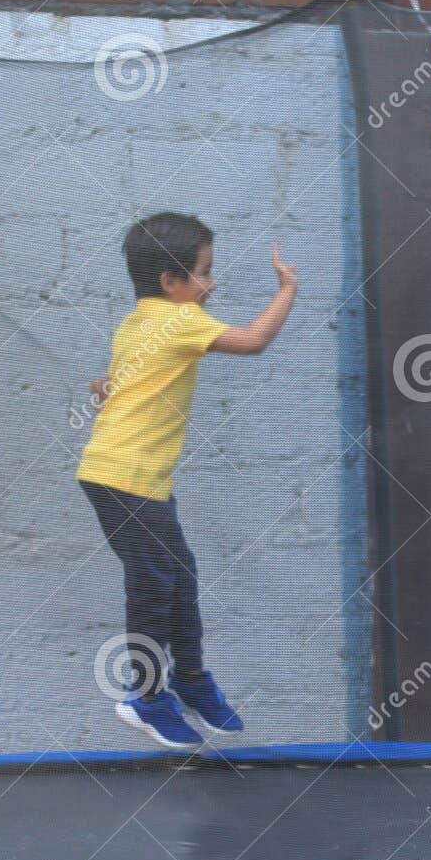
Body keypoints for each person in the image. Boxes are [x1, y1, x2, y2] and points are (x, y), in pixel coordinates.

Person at [78, 212, 298, 749]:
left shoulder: (137, 321)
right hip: (124, 477)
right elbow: (252, 342)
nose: (212, 284)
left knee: (178, 577)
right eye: (203, 274)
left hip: (132, 476)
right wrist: (288, 291)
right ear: (169, 283)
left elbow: (123, 377)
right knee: (155, 584)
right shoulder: (181, 321)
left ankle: (190, 678)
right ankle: (146, 696)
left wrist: (107, 387)